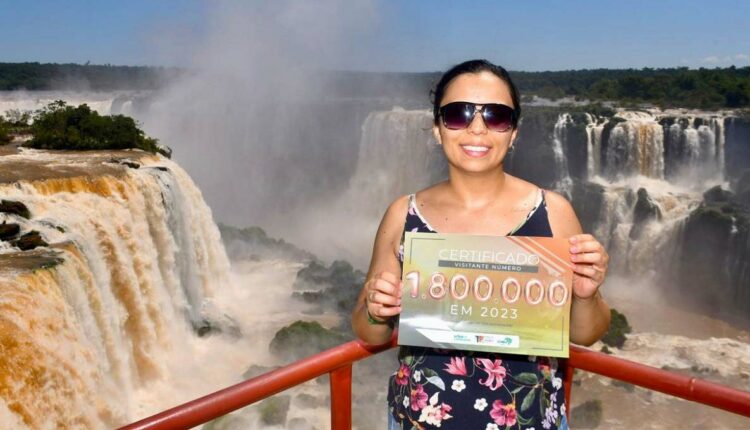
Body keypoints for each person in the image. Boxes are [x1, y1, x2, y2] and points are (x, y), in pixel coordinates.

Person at [351, 59, 611, 430]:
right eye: (457, 114)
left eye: (495, 115)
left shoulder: (553, 213)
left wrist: (586, 295)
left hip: (527, 421)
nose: (476, 128)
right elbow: (369, 330)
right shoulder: (402, 215)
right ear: (437, 129)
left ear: (514, 131)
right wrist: (376, 309)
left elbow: (586, 333)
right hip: (419, 421)